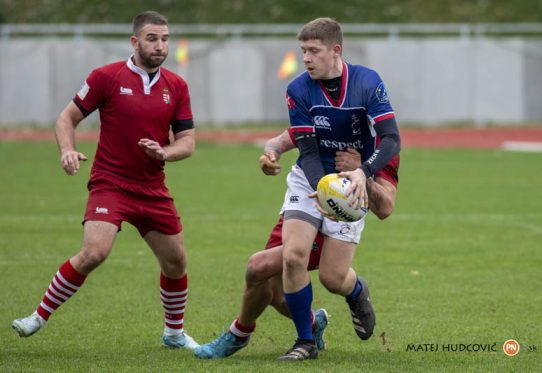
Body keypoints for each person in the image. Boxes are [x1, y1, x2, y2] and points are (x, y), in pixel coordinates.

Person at [12, 11, 199, 350]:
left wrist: (165, 153)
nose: (160, 46)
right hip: (110, 183)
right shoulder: (106, 77)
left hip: (152, 187)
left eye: (165, 39)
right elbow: (66, 118)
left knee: (176, 262)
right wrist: (67, 150)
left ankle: (174, 334)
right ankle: (38, 316)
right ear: (135, 41)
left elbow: (187, 142)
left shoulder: (177, 86)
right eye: (152, 39)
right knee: (95, 252)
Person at [194, 130, 399, 359]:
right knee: (268, 283)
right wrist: (270, 155)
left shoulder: (384, 141)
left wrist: (362, 172)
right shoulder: (326, 114)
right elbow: (280, 141)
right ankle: (309, 325)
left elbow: (385, 207)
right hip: (303, 204)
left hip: (339, 213)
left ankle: (354, 291)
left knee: (324, 276)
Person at [272, 17, 401, 361]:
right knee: (294, 254)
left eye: (313, 51)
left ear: (335, 51)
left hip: (354, 176)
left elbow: (391, 139)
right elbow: (309, 151)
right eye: (303, 51)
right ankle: (305, 341)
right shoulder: (298, 89)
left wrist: (364, 171)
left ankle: (357, 292)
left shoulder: (366, 82)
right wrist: (321, 189)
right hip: (311, 176)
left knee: (332, 277)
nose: (306, 58)